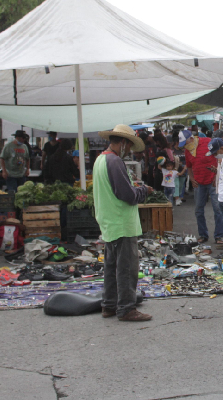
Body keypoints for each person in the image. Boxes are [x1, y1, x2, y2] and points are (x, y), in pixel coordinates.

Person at [94, 125, 152, 321]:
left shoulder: (100, 159)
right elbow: (127, 195)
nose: (129, 150)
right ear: (124, 143)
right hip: (121, 222)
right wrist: (144, 191)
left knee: (111, 267)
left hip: (109, 221)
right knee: (127, 268)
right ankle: (127, 308)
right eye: (129, 145)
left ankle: (109, 305)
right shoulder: (115, 161)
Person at [181, 129, 223, 245]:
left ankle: (219, 236)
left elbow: (219, 157)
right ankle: (203, 234)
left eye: (185, 143)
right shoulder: (188, 150)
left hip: (213, 181)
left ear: (191, 139)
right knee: (198, 210)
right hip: (199, 182)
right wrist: (192, 178)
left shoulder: (207, 141)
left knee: (218, 209)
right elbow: (189, 166)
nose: (185, 146)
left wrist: (217, 176)